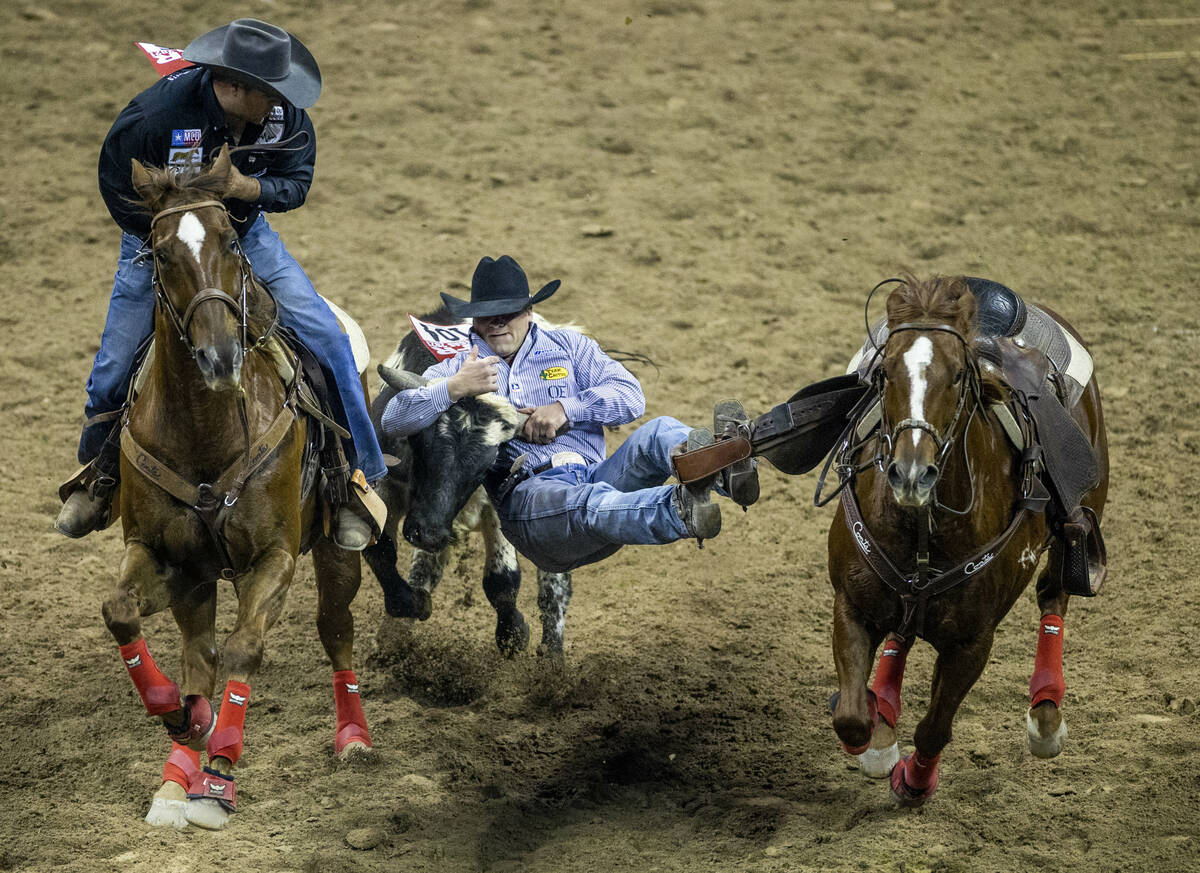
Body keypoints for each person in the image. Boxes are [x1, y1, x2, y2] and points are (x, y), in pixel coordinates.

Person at [55, 18, 385, 549]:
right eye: (270, 93)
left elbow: (296, 184)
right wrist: (171, 241)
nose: (281, 103)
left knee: (330, 340)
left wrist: (244, 187)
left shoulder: (285, 119)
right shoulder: (154, 116)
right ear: (232, 87)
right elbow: (114, 183)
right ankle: (98, 478)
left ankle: (357, 480)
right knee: (113, 366)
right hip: (163, 242)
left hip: (244, 233)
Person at [380, 255, 759, 573]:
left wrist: (566, 409)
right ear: (473, 320)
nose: (497, 323)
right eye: (486, 316)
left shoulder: (570, 348)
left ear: (529, 312)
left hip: (595, 475)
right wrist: (453, 389)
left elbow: (631, 396)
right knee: (591, 501)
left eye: (507, 313)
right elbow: (393, 419)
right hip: (531, 500)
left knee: (657, 431)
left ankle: (724, 471)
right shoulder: (459, 367)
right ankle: (679, 512)